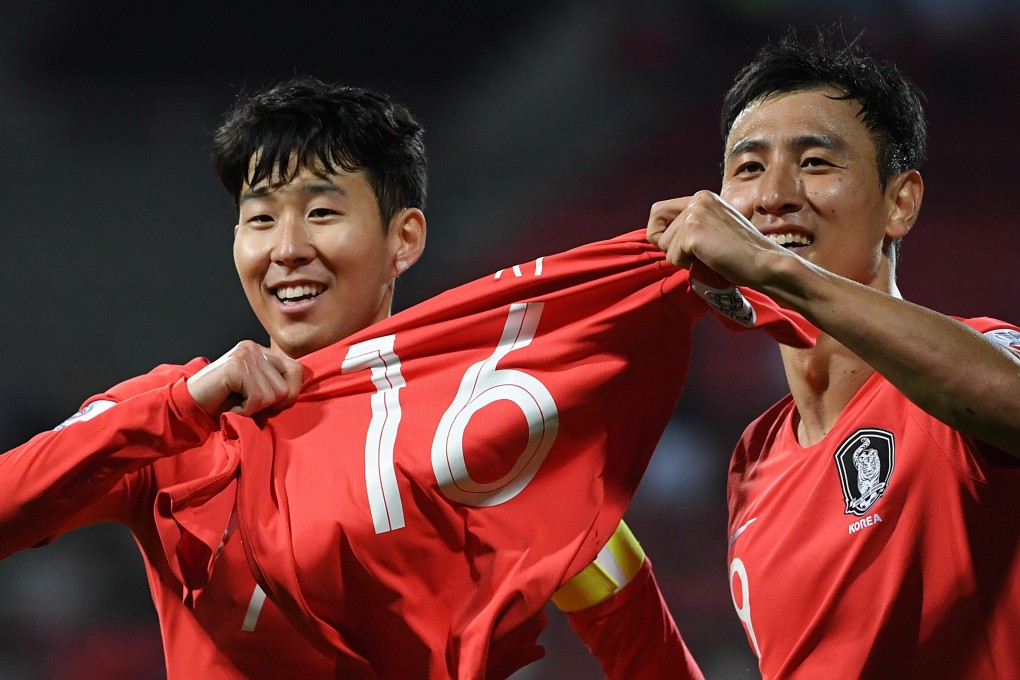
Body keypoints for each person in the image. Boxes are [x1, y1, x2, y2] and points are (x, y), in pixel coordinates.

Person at [0, 77, 705, 679]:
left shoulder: (480, 430)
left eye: (322, 212)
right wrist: (180, 408)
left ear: (404, 239)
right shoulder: (177, 420)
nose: (286, 248)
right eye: (260, 218)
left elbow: (642, 643)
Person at [647, 28, 1020, 679]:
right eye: (749, 168)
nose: (774, 196)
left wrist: (776, 268)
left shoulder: (975, 361)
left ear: (899, 203)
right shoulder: (754, 460)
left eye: (816, 163)